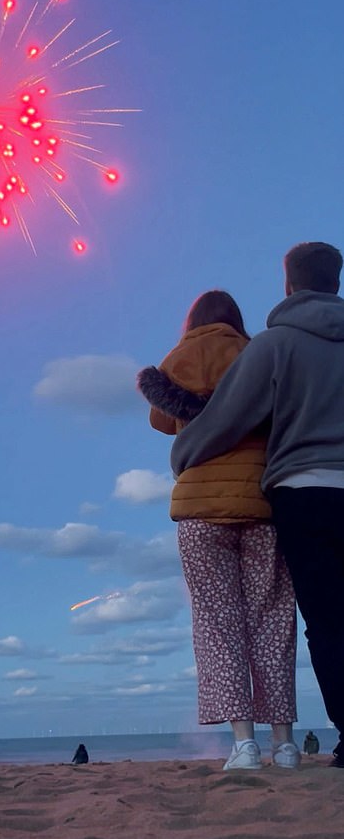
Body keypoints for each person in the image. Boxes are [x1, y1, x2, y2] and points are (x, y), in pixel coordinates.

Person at [171, 242, 344, 769]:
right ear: (335, 282)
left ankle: (321, 736)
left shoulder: (274, 346)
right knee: (291, 621)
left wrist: (184, 453)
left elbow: (228, 416)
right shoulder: (264, 343)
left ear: (288, 284)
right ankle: (292, 739)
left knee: (325, 620)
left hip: (301, 494)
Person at [138, 290, 298, 771]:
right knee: (274, 622)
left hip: (199, 510)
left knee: (218, 627)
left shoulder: (179, 356)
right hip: (262, 502)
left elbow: (160, 420)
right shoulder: (257, 352)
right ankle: (286, 744)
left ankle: (244, 745)